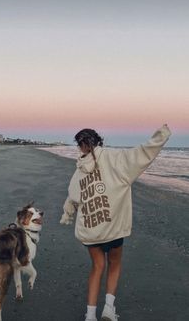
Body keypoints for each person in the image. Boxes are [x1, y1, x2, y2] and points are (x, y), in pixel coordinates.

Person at [60, 124, 171, 321]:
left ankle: (90, 315)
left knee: (97, 267)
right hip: (113, 228)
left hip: (91, 230)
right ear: (99, 141)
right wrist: (160, 136)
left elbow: (74, 196)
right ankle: (108, 310)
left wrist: (68, 212)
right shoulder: (116, 158)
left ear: (81, 146)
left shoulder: (78, 171)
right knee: (114, 264)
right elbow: (141, 154)